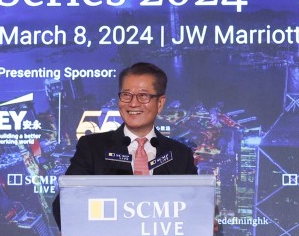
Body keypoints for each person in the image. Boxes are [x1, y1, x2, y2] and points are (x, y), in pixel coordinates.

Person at [53, 62, 197, 227]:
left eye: (143, 96)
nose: (133, 103)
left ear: (160, 103)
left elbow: (195, 208)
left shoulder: (180, 154)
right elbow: (63, 206)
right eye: (126, 95)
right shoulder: (92, 147)